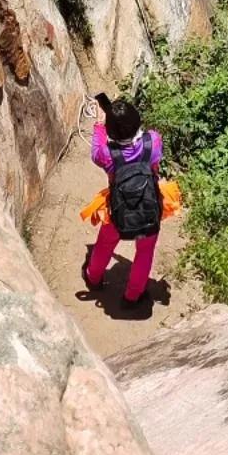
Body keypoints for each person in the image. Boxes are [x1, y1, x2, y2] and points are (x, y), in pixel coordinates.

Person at [83, 99, 164, 304]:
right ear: (137, 121)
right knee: (145, 251)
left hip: (117, 210)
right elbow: (155, 161)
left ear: (111, 131)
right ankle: (132, 296)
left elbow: (95, 152)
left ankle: (94, 278)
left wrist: (100, 124)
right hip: (148, 207)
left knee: (104, 244)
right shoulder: (153, 141)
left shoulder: (107, 155)